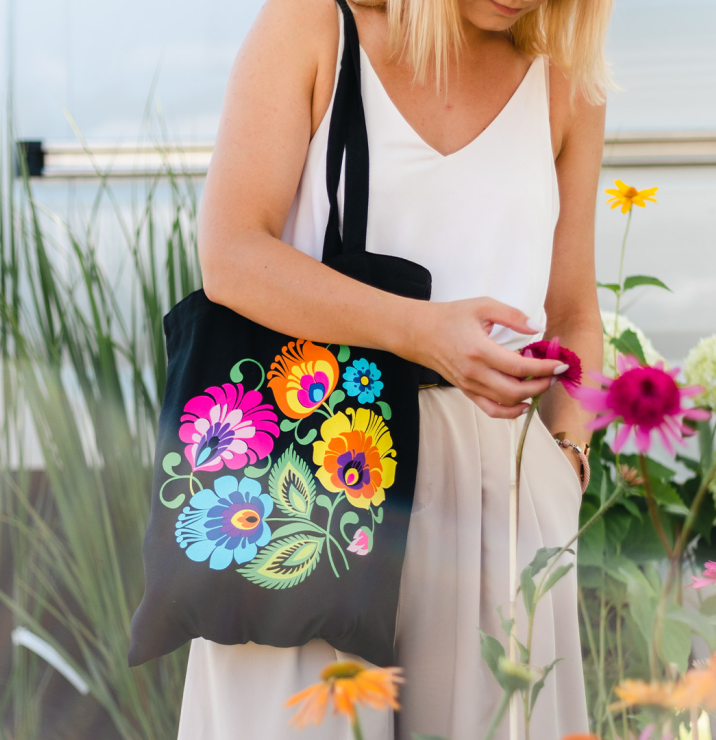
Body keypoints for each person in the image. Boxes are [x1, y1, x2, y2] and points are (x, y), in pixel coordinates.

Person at [176, 0, 608, 736]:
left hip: (499, 503)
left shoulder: (564, 85)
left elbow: (573, 314)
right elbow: (232, 254)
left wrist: (567, 459)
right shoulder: (314, 27)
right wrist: (421, 331)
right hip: (315, 477)